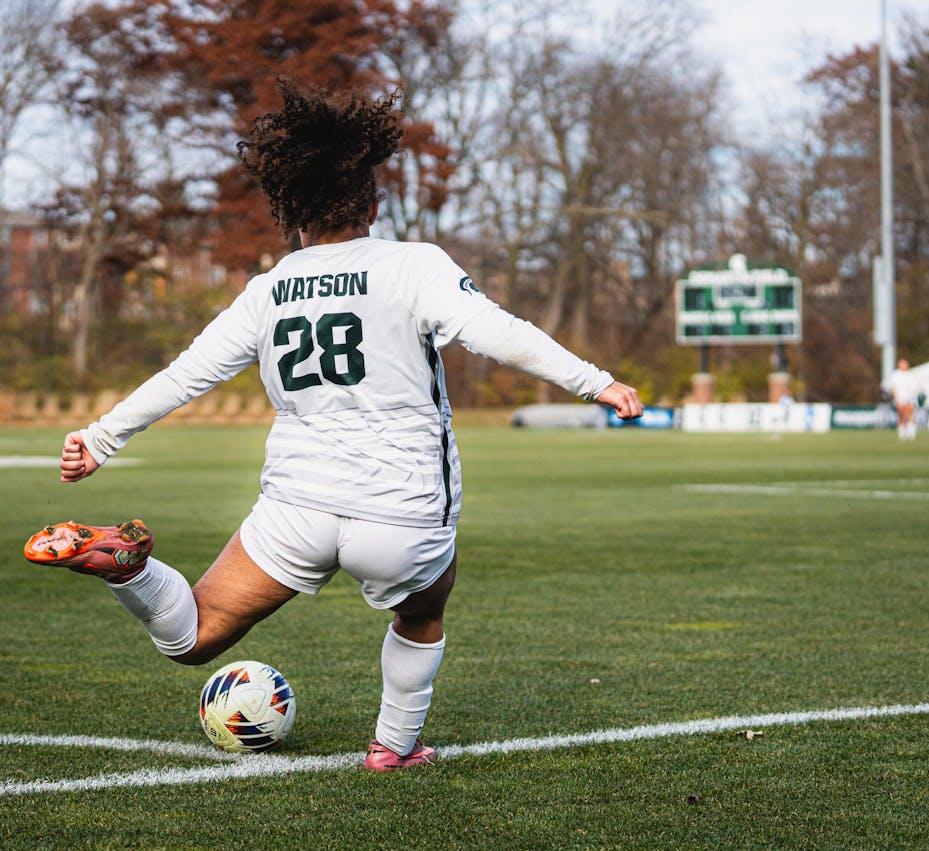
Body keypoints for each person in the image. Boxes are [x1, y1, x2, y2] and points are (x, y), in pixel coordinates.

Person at [22, 80, 643, 772]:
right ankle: (392, 748)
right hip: (400, 510)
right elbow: (498, 332)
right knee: (424, 608)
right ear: (372, 207)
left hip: (297, 505)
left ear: (291, 213)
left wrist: (99, 438)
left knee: (191, 635)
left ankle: (129, 568)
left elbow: (187, 372)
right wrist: (597, 381)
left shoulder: (270, 289)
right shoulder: (413, 264)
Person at [885, 358, 919, 440]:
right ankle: (902, 433)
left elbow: (915, 387)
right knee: (901, 415)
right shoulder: (895, 375)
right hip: (899, 398)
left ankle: (911, 434)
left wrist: (912, 396)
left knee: (910, 414)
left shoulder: (910, 375)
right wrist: (896, 397)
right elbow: (891, 387)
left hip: (910, 398)